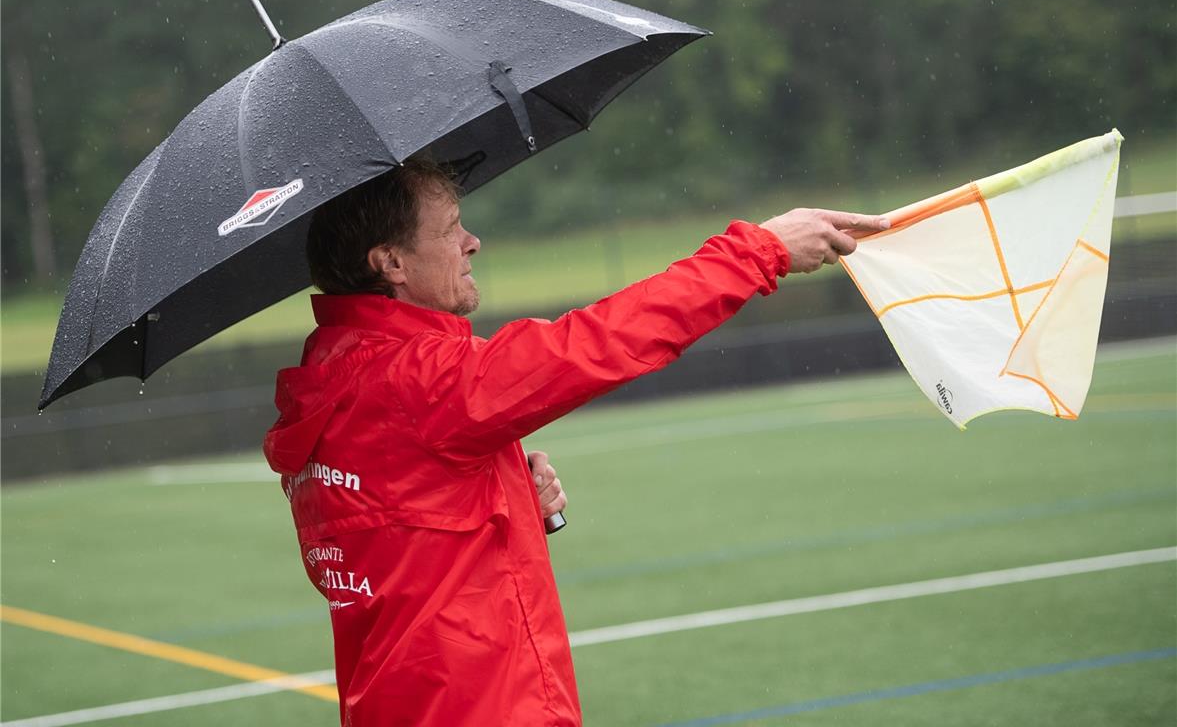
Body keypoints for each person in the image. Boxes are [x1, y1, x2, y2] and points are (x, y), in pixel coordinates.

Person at [263, 158, 887, 726]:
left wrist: (502, 500)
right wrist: (761, 250)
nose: (471, 241)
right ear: (391, 263)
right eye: (450, 228)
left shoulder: (334, 381)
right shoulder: (418, 381)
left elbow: (397, 544)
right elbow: (599, 343)